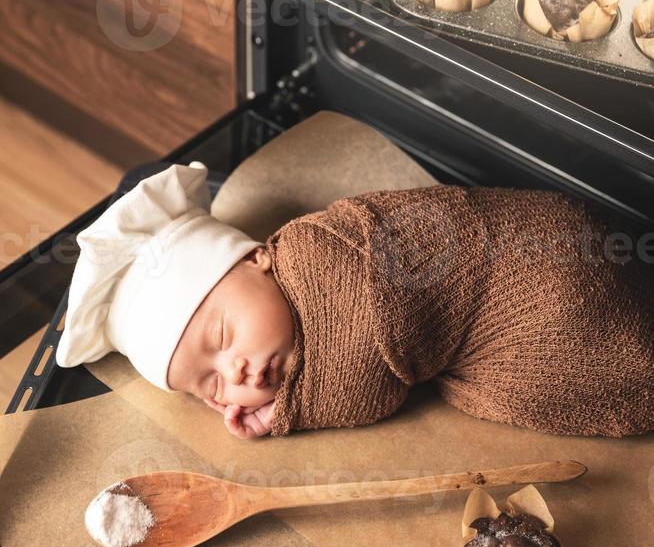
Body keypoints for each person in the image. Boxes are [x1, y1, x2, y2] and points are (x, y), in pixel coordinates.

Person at [58, 162, 654, 440]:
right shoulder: (288, 296)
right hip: (561, 239)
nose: (234, 372)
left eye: (220, 337)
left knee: (570, 359)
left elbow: (369, 383)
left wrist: (287, 413)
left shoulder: (323, 257)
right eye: (211, 388)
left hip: (545, 278)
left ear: (256, 259)